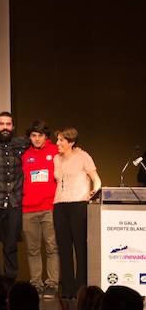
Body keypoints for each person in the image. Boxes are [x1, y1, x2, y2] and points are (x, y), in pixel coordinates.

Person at [53, 127, 101, 299]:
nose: (57, 143)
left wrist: (94, 191)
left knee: (80, 247)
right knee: (64, 249)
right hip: (59, 205)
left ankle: (81, 289)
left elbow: (96, 180)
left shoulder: (83, 156)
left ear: (71, 142)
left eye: (61, 140)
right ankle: (67, 290)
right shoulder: (55, 159)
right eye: (57, 140)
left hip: (78, 205)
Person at [0, 111, 29, 284]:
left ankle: (9, 281)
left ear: (13, 126)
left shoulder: (22, 144)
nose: (5, 127)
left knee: (11, 246)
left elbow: (42, 143)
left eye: (8, 124)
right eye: (2, 124)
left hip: (15, 202)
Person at [20, 120, 59, 298]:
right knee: (32, 249)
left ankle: (52, 283)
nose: (36, 139)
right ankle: (36, 283)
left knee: (52, 247)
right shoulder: (25, 155)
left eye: (40, 135)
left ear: (46, 136)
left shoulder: (55, 151)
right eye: (33, 135)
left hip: (49, 207)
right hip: (28, 209)